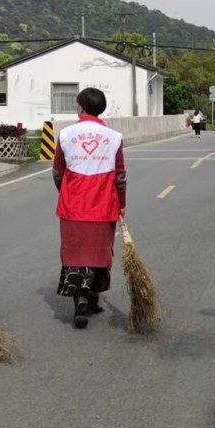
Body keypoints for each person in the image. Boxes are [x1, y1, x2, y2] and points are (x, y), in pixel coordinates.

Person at [52, 88, 127, 329]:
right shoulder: (114, 137)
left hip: (73, 206)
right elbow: (120, 176)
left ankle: (80, 301)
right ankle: (93, 299)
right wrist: (121, 203)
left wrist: (65, 191)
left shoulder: (65, 134)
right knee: (99, 254)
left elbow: (57, 171)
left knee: (75, 255)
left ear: (81, 107)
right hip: (103, 207)